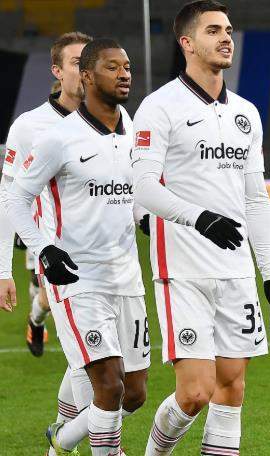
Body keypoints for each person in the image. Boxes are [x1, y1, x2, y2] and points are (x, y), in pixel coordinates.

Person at [131, 1, 270, 454]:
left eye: (229, 30)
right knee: (196, 392)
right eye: (214, 30)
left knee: (232, 387)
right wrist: (200, 219)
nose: (226, 38)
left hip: (236, 272)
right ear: (187, 43)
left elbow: (256, 198)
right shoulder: (159, 107)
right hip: (182, 272)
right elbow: (143, 186)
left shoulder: (247, 113)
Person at [7, 38, 149, 456]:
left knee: (134, 394)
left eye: (127, 67)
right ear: (86, 76)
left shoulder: (131, 127)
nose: (124, 74)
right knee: (108, 385)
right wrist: (43, 249)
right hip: (77, 279)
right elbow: (15, 197)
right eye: (112, 67)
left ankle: (62, 438)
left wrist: (146, 217)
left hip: (127, 276)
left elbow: (133, 189)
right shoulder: (56, 137)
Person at [0, 32, 91, 356]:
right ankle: (37, 320)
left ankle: (36, 319)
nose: (84, 70)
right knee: (93, 360)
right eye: (76, 62)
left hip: (110, 258)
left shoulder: (117, 119)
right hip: (49, 241)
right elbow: (8, 194)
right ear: (57, 71)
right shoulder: (31, 126)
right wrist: (2, 271)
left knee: (111, 366)